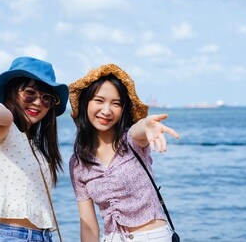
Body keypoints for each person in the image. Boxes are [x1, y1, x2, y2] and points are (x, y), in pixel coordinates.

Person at [0, 57, 68, 242]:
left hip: (42, 236)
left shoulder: (34, 145)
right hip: (11, 236)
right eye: (30, 93)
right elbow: (3, 116)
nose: (38, 103)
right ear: (12, 92)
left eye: (46, 98)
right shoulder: (4, 129)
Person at [68, 64, 180, 242]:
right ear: (85, 103)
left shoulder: (132, 141)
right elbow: (88, 226)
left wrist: (147, 124)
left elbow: (139, 130)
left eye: (116, 104)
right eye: (99, 100)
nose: (106, 111)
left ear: (123, 109)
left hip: (153, 237)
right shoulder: (78, 162)